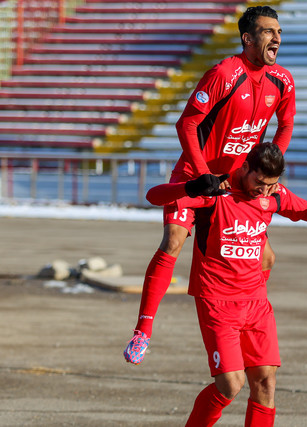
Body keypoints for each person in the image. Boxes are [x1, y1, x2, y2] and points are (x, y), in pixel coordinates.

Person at [124, 5, 296, 364]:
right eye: (268, 31)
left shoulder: (283, 80)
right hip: (196, 174)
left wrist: (269, 167)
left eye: (278, 31)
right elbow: (186, 124)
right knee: (173, 240)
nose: (276, 37)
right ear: (247, 38)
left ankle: (248, 317)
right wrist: (203, 176)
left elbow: (286, 125)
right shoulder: (224, 73)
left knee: (266, 257)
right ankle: (143, 330)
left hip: (239, 183)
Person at [141, 143, 307, 426]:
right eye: (260, 182)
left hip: (256, 303)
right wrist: (191, 187)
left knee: (266, 382)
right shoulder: (216, 193)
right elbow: (153, 196)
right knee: (230, 384)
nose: (264, 191)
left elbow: (306, 211)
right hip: (217, 301)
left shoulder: (273, 196)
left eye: (272, 185)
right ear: (245, 168)